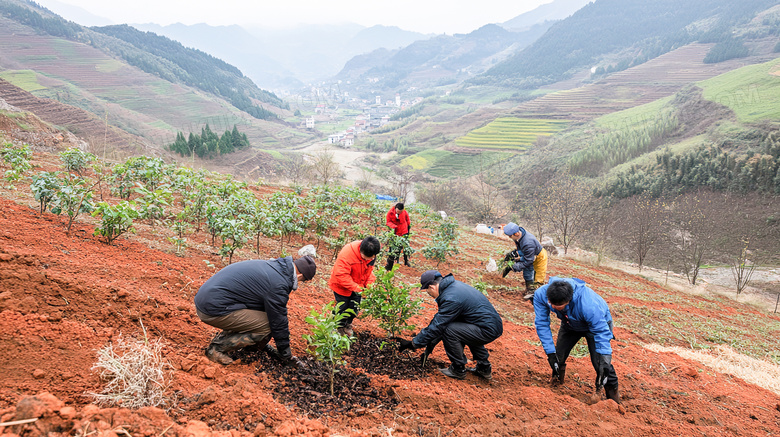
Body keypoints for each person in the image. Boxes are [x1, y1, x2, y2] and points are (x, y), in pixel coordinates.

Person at [194, 255, 317, 365]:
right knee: (268, 325)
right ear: (300, 276)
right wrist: (285, 353)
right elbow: (278, 321)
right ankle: (216, 349)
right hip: (212, 309)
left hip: (208, 299)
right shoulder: (278, 284)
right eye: (303, 281)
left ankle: (252, 346)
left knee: (265, 317)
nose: (301, 283)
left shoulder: (275, 267)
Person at [397, 270, 504, 380]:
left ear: (431, 287)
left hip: (487, 329)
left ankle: (458, 369)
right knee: (463, 330)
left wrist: (414, 343)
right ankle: (484, 368)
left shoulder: (451, 298)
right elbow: (439, 322)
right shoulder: (453, 287)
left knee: (450, 330)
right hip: (488, 325)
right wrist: (429, 345)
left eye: (428, 292)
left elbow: (439, 325)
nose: (431, 296)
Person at [532, 277, 620, 403]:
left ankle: (613, 398)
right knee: (558, 356)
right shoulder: (541, 295)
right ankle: (556, 384)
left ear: (568, 301)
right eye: (551, 304)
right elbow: (542, 323)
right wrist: (550, 352)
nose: (552, 307)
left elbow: (601, 333)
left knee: (600, 363)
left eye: (558, 306)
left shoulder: (589, 306)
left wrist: (604, 362)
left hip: (597, 326)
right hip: (570, 323)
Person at [329, 236, 381, 336]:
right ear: (361, 252)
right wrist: (358, 289)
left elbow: (368, 272)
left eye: (373, 257)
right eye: (369, 258)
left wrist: (369, 288)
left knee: (354, 307)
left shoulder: (371, 255)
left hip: (358, 285)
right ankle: (337, 327)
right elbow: (341, 275)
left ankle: (347, 325)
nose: (372, 259)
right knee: (342, 307)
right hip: (342, 286)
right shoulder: (347, 254)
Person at [502, 222, 548, 300]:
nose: (509, 237)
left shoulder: (528, 242)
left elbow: (528, 261)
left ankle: (536, 296)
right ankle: (529, 289)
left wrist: (513, 267)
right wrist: (514, 253)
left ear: (516, 233)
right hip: (530, 254)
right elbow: (522, 249)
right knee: (528, 270)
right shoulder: (519, 236)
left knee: (538, 278)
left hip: (539, 256)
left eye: (510, 236)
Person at [385, 202, 411, 270]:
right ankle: (389, 265)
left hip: (404, 232)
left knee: (405, 247)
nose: (399, 213)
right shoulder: (390, 213)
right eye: (398, 211)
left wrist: (408, 229)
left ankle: (406, 261)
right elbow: (388, 222)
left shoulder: (404, 212)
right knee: (393, 249)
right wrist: (394, 226)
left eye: (401, 212)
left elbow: (408, 220)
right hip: (395, 233)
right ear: (395, 208)